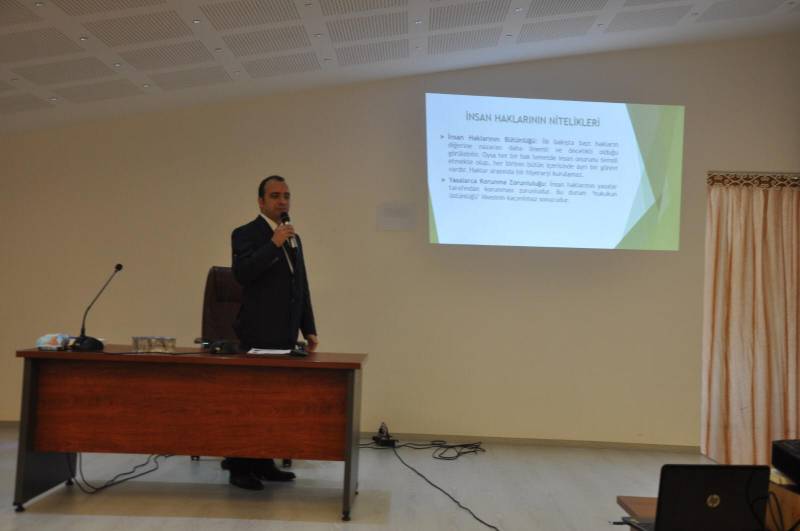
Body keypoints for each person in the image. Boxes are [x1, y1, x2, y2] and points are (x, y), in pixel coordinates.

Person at [225, 175, 319, 490]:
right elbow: (243, 273)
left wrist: (309, 327)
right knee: (249, 403)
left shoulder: (294, 237)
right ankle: (239, 467)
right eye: (275, 195)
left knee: (273, 402)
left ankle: (264, 463)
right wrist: (273, 244)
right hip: (257, 332)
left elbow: (300, 284)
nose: (282, 201)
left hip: (285, 333)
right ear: (261, 201)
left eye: (286, 196)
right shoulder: (245, 233)